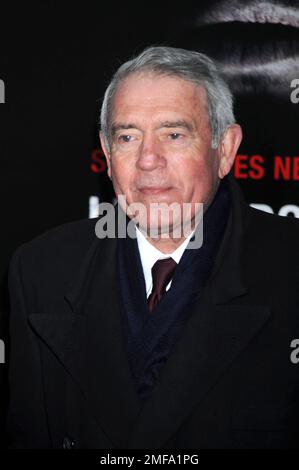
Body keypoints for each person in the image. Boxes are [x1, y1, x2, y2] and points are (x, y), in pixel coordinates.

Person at [6, 46, 299, 449]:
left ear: (226, 150)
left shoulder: (289, 267)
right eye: (127, 137)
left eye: (174, 134)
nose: (147, 160)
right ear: (108, 156)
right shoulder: (40, 270)